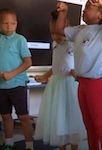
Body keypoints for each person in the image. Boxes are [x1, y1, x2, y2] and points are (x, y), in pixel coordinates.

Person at [55, 0, 102, 149]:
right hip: (83, 84)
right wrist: (63, 12)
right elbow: (59, 29)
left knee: (100, 124)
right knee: (89, 125)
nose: (84, 11)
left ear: (100, 14)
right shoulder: (80, 30)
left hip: (97, 83)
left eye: (88, 8)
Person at [33, 10, 86, 150]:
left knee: (72, 116)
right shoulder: (54, 45)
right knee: (58, 117)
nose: (56, 36)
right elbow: (55, 66)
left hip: (69, 84)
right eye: (52, 33)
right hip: (56, 84)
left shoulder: (72, 44)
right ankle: (61, 146)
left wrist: (77, 72)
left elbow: (79, 62)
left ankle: (74, 146)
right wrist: (43, 76)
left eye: (58, 32)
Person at [0, 8, 34, 150]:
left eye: (13, 23)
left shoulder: (20, 40)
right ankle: (9, 144)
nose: (9, 26)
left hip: (17, 85)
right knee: (5, 115)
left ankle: (29, 145)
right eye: (5, 23)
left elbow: (28, 62)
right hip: (0, 86)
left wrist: (12, 74)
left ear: (17, 24)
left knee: (23, 117)